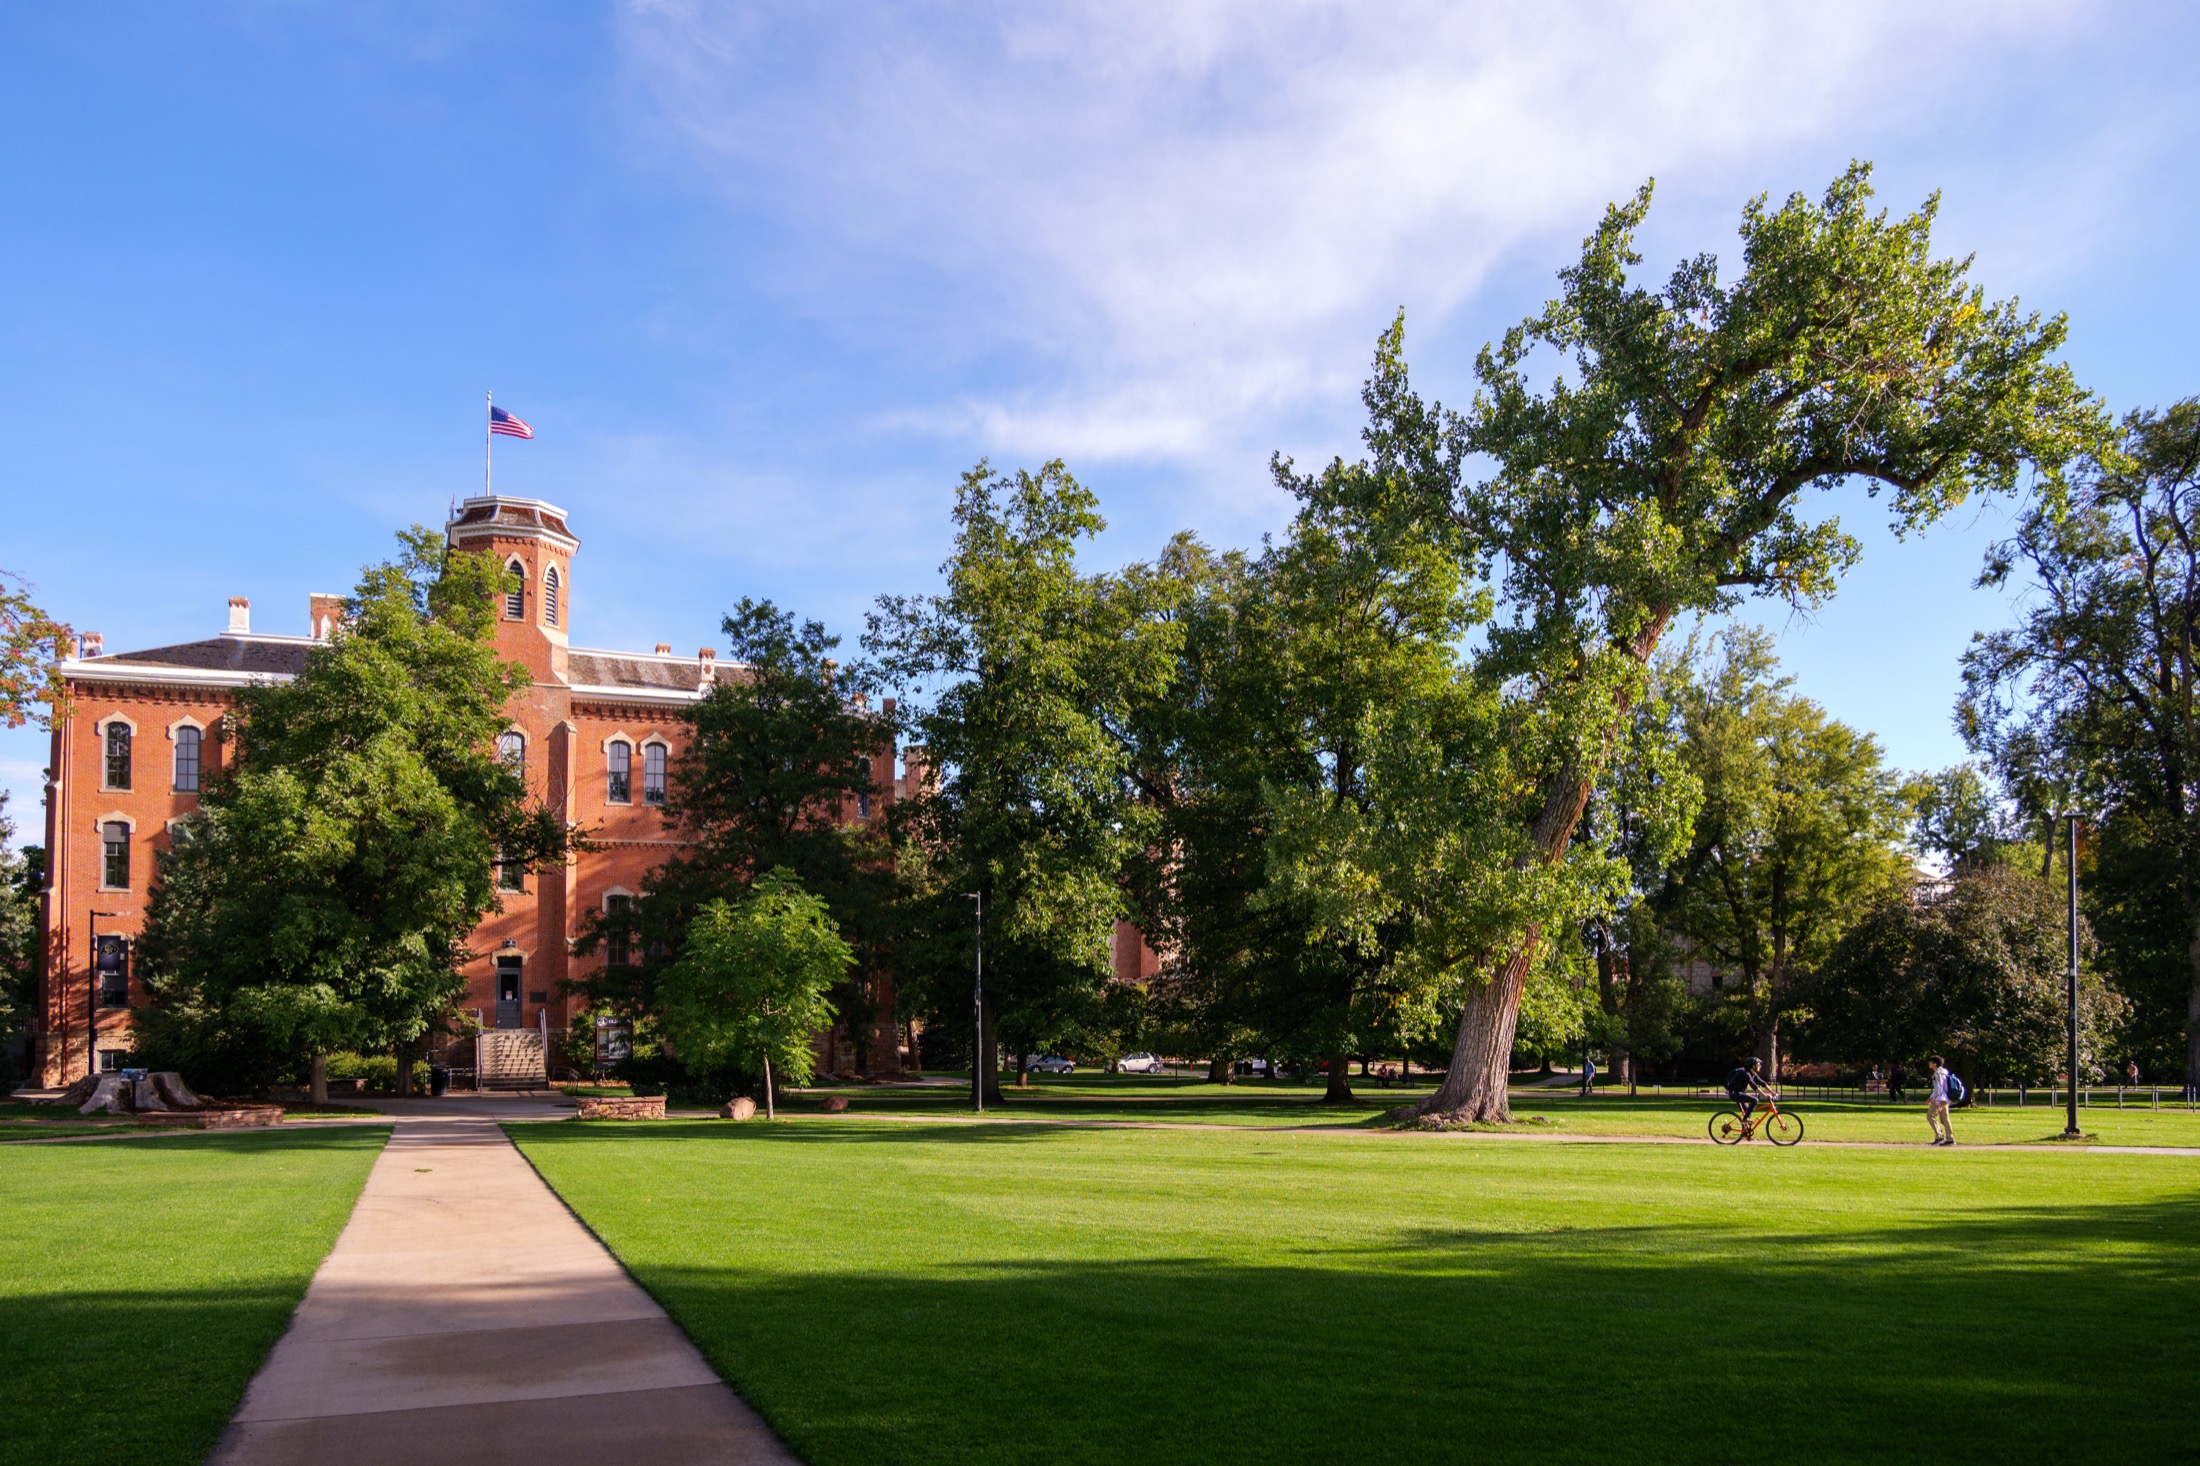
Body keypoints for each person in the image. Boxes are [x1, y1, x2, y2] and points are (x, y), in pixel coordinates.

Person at [1725, 1057, 1771, 1125]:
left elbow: (1762, 1083)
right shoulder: (1746, 1074)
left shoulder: (1753, 1074)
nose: (1760, 1066)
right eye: (1758, 1065)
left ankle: (1746, 1132)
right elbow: (1754, 1086)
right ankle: (1745, 1119)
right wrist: (1764, 1095)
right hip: (1735, 1094)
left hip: (1739, 1094)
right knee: (1755, 1100)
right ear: (1753, 1066)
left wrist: (1772, 1092)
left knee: (1748, 1112)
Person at [1926, 1054, 1957, 1146]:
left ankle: (1939, 1136)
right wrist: (1931, 1098)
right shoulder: (1944, 1072)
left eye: (1930, 1062)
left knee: (1930, 1116)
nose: (1929, 1063)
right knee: (1945, 1119)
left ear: (1934, 1064)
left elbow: (1939, 1088)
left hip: (1940, 1098)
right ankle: (1950, 1138)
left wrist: (1936, 1100)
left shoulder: (1937, 1074)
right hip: (1946, 1098)